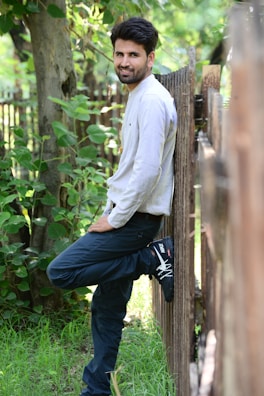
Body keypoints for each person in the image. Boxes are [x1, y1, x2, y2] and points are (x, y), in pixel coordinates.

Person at [47, 16, 177, 396]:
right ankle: (96, 388)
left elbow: (148, 170)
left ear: (150, 58)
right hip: (129, 214)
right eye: (119, 53)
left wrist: (115, 218)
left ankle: (150, 259)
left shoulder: (152, 101)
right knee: (107, 308)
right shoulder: (140, 95)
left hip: (135, 222)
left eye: (133, 55)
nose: (124, 61)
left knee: (60, 272)